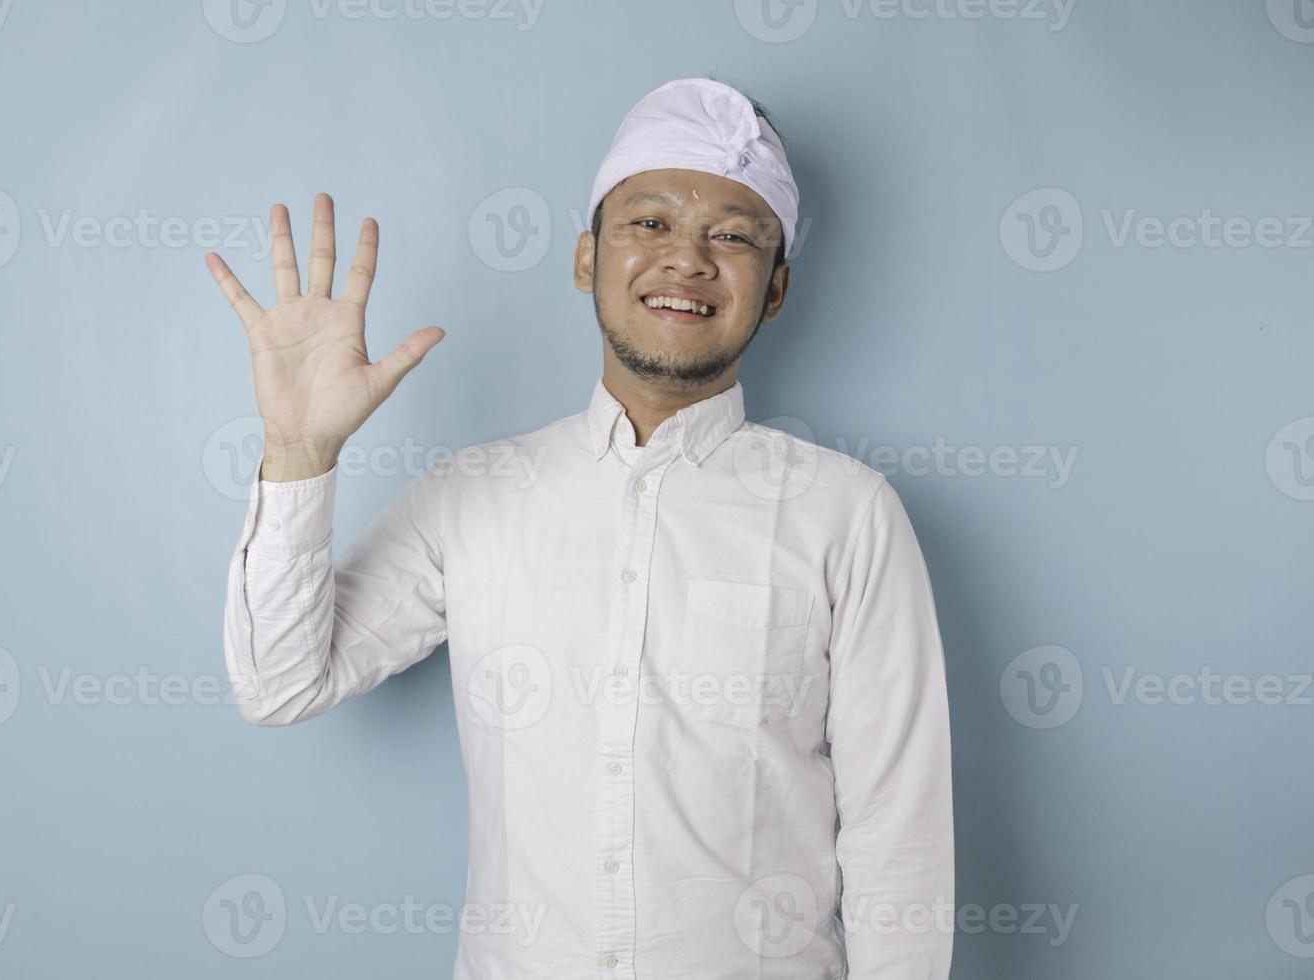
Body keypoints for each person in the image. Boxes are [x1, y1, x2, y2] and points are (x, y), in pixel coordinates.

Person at [207, 76, 954, 980]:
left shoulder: (847, 512)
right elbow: (279, 683)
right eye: (649, 223)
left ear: (778, 290)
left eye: (732, 235)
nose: (687, 259)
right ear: (583, 257)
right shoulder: (470, 495)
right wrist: (296, 448)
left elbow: (897, 832)